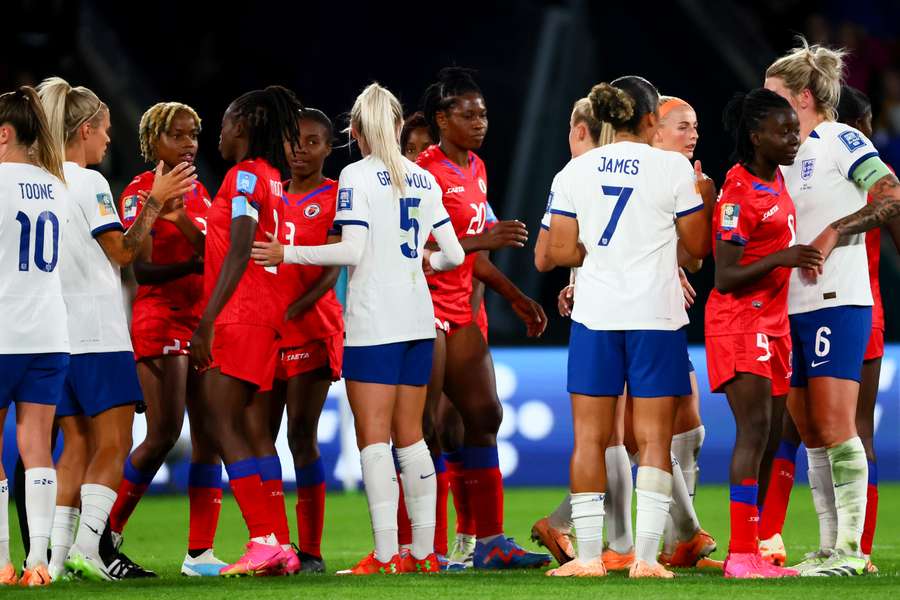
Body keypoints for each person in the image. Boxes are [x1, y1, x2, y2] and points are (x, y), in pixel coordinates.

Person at [251, 82, 465, 575]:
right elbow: (453, 255)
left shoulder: (356, 176)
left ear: (357, 130)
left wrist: (288, 253)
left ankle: (387, 555)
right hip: (418, 320)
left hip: (374, 322)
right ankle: (424, 555)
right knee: (412, 437)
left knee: (374, 440)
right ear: (395, 124)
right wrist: (419, 261)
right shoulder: (423, 178)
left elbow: (351, 251)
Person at [545, 76, 713, 578]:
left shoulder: (573, 173)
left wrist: (597, 254)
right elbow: (698, 249)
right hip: (656, 316)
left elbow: (557, 252)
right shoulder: (674, 169)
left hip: (596, 314)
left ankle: (591, 558)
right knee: (655, 440)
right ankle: (644, 559)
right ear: (648, 119)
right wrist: (703, 196)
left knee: (590, 439)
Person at [37, 77, 195, 581]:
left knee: (74, 446)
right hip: (98, 334)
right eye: (104, 130)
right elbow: (124, 253)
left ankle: (54, 561)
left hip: (55, 336)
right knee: (114, 442)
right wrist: (155, 200)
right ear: (84, 130)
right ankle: (89, 545)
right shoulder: (89, 183)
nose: (108, 140)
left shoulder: (37, 180)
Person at [764, 37, 900, 576]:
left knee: (837, 423)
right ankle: (828, 546)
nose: (764, 103)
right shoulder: (785, 154)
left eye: (772, 95)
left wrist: (833, 232)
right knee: (811, 430)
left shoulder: (839, 138)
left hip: (838, 302)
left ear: (801, 97)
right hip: (790, 306)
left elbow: (890, 192)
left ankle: (851, 550)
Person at [418, 67, 549, 570]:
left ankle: (490, 542)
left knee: (484, 416)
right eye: (467, 114)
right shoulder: (423, 173)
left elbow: (478, 254)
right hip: (424, 311)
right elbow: (417, 247)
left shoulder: (475, 169)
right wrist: (480, 241)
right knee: (425, 428)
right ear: (441, 118)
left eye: (484, 113)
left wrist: (515, 297)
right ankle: (421, 548)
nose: (480, 122)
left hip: (462, 309)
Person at [105, 101, 226, 577]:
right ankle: (105, 534)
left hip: (200, 321)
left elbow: (212, 253)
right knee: (161, 434)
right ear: (152, 140)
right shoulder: (139, 192)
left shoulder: (200, 193)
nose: (189, 143)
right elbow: (144, 269)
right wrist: (179, 234)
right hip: (161, 320)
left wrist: (184, 226)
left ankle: (200, 554)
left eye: (193, 134)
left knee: (210, 438)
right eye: (177, 135)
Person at [707, 88, 821, 578]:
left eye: (794, 129)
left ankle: (753, 548)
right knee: (753, 432)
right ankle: (740, 554)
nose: (793, 138)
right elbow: (725, 274)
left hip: (772, 323)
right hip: (739, 322)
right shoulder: (737, 193)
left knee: (773, 435)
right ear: (756, 137)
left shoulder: (775, 180)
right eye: (783, 131)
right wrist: (783, 257)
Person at [189, 85, 302, 577]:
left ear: (245, 125)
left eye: (226, 120)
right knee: (254, 431)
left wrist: (208, 319)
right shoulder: (273, 178)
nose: (220, 130)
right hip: (265, 315)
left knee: (219, 423)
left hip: (239, 314)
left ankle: (261, 540)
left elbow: (238, 248)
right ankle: (279, 543)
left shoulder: (242, 178)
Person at [247, 107, 344, 574]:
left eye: (311, 141)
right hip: (266, 332)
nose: (299, 150)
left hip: (312, 328)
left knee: (300, 434)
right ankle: (274, 545)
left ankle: (311, 551)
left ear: (328, 147)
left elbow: (332, 265)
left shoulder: (337, 195)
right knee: (260, 437)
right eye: (292, 141)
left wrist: (296, 307)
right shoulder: (269, 194)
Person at [0, 86, 69, 587]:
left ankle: (2, 561)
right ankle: (39, 563)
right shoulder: (56, 185)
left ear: (4, 134)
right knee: (37, 447)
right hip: (49, 330)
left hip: (4, 326)